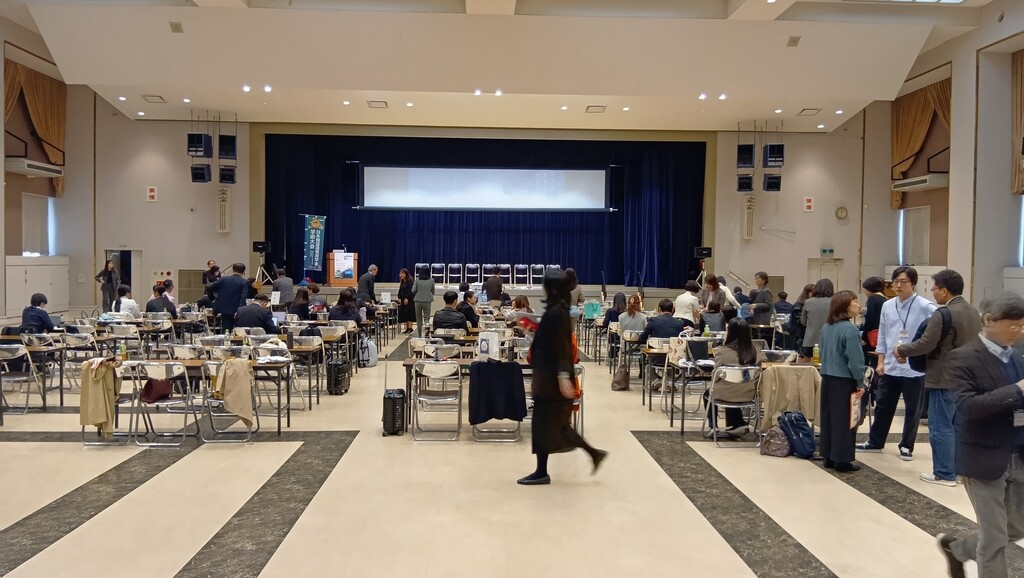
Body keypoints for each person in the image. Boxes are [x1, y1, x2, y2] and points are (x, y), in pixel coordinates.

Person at [937, 292, 1024, 578]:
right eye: (1013, 325)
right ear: (989, 320)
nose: (1019, 332)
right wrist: (1017, 390)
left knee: (1015, 528)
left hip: (1018, 453)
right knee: (995, 537)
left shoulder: (1018, 355)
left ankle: (958, 549)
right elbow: (968, 407)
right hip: (982, 457)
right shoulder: (962, 358)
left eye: (1023, 326)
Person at [517, 268, 607, 486]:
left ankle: (542, 472)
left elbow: (562, 347)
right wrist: (532, 331)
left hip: (550, 380)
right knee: (558, 425)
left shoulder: (557, 313)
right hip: (548, 377)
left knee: (543, 424)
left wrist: (563, 376)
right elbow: (550, 340)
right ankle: (593, 453)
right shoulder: (557, 310)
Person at [893, 269, 981, 487]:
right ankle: (957, 470)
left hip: (944, 378)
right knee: (957, 426)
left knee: (940, 426)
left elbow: (926, 343)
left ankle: (943, 472)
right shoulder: (974, 313)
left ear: (944, 290)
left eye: (934, 289)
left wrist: (902, 350)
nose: (933, 293)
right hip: (967, 379)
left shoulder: (943, 314)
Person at [857, 266, 936, 461]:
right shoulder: (888, 305)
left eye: (903, 282)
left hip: (913, 368)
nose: (898, 285)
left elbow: (936, 330)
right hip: (890, 366)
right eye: (895, 282)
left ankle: (907, 445)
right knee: (883, 405)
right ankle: (875, 441)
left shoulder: (925, 306)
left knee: (912, 410)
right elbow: (883, 335)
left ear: (913, 284)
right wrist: (880, 361)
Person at [818, 290, 866, 472]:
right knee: (845, 420)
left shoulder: (826, 327)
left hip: (827, 377)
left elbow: (822, 352)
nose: (858, 305)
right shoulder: (850, 330)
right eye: (855, 301)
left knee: (829, 418)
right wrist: (860, 381)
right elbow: (855, 360)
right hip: (844, 379)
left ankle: (828, 455)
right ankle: (842, 459)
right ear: (845, 306)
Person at [705, 318, 765, 437]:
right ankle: (737, 423)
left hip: (725, 394)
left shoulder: (722, 352)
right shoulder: (757, 351)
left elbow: (715, 376)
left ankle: (713, 426)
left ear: (730, 332)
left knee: (710, 393)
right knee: (735, 387)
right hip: (749, 394)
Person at [208, 263, 250, 332]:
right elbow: (243, 297)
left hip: (224, 310)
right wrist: (241, 310)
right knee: (239, 332)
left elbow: (209, 287)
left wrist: (212, 298)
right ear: (243, 272)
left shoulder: (223, 279)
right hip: (237, 310)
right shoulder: (244, 282)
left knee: (226, 331)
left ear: (233, 270)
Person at [800, 278, 835, 359]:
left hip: (810, 340)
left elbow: (803, 321)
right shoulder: (835, 302)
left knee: (810, 363)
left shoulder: (808, 302)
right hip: (830, 340)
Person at [860, 276, 887, 357]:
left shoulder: (872, 298)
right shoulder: (885, 299)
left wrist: (864, 337)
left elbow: (870, 319)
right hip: (881, 335)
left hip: (871, 336)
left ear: (870, 289)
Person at [411, 265, 436, 337]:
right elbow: (433, 292)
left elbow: (413, 290)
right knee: (427, 317)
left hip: (417, 300)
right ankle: (426, 332)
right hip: (427, 300)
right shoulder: (432, 280)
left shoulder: (417, 280)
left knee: (418, 318)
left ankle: (420, 334)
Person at [789, 284, 815, 351]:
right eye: (812, 292)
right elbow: (800, 321)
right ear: (806, 293)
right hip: (798, 335)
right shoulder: (798, 306)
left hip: (805, 334)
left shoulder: (810, 304)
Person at [397, 268, 416, 334]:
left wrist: (407, 298)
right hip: (403, 300)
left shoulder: (410, 281)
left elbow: (411, 291)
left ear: (406, 274)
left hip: (410, 300)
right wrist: (399, 297)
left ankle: (410, 328)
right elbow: (400, 290)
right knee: (405, 315)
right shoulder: (402, 281)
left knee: (409, 314)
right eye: (400, 273)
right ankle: (407, 328)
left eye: (402, 273)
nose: (400, 275)